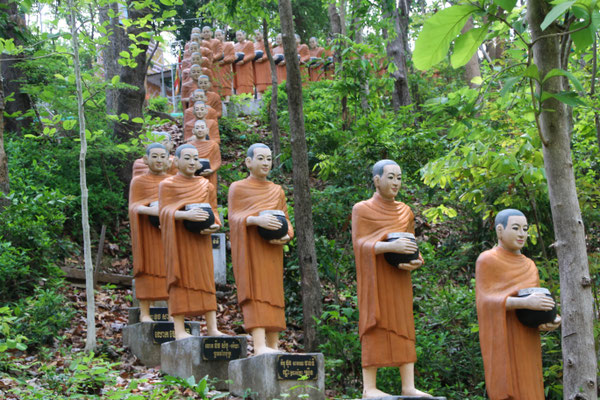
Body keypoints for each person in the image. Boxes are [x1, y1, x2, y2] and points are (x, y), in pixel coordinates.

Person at [352, 160, 431, 398]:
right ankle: (370, 388)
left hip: (399, 279)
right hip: (375, 279)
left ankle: (408, 385)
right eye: (390, 177)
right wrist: (386, 246)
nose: (396, 182)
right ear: (376, 180)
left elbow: (411, 243)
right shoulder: (362, 209)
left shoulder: (406, 211)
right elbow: (360, 244)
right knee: (375, 325)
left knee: (404, 327)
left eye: (399, 177)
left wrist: (418, 259)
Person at [476, 209, 561, 400]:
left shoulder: (529, 265)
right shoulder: (487, 259)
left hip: (527, 339)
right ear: (500, 230)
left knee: (530, 389)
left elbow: (535, 305)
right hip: (503, 336)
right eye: (516, 228)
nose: (522, 234)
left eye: (525, 229)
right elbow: (485, 301)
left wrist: (549, 319)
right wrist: (523, 302)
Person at [228, 143, 293, 355]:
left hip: (272, 250)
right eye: (261, 158)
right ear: (248, 162)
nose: (266, 163)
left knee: (274, 295)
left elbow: (286, 218)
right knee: (256, 293)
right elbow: (234, 217)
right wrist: (256, 220)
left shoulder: (277, 190)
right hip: (251, 251)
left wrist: (286, 236)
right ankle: (258, 344)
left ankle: (273, 345)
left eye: (269, 159)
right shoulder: (238, 188)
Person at [159, 144, 224, 340]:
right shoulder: (167, 185)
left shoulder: (206, 185)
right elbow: (163, 212)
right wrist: (184, 214)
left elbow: (213, 211)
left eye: (195, 158)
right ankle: (179, 330)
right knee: (180, 280)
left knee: (206, 280)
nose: (192, 162)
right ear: (176, 161)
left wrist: (215, 225)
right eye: (187, 158)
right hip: (179, 241)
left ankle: (212, 328)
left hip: (201, 240)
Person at [129, 143, 171, 322]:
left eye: (162, 156)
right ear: (145, 159)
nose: (159, 160)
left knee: (170, 271)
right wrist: (150, 210)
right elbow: (133, 206)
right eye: (154, 156)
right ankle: (145, 313)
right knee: (147, 270)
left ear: (168, 159)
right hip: (147, 233)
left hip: (167, 233)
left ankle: (173, 314)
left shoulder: (172, 181)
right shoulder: (138, 181)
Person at [189, 119, 221, 191]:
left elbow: (217, 160)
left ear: (207, 130)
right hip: (193, 174)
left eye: (202, 127)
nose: (200, 130)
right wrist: (194, 167)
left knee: (210, 191)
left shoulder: (213, 145)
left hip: (209, 174)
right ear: (193, 131)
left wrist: (212, 169)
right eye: (197, 128)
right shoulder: (189, 145)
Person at [214, 29, 235, 101]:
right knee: (217, 84)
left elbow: (232, 56)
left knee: (226, 84)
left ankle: (227, 100)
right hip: (216, 69)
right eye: (216, 35)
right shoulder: (214, 46)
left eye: (219, 35)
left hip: (225, 68)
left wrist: (224, 60)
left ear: (223, 35)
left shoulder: (228, 45)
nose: (217, 37)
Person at [233, 30, 256, 95]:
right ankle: (239, 95)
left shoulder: (249, 43)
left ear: (244, 35)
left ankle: (250, 95)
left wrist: (244, 60)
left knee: (248, 81)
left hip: (246, 66)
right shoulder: (235, 46)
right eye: (237, 35)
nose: (238, 37)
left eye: (240, 35)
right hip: (238, 67)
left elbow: (252, 54)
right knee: (239, 83)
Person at [253, 29, 271, 97]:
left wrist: (263, 58)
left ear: (262, 35)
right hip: (257, 65)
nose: (257, 36)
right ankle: (259, 98)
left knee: (267, 84)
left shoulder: (267, 43)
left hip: (265, 65)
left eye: (258, 34)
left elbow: (269, 53)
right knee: (259, 85)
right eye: (255, 35)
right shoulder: (253, 45)